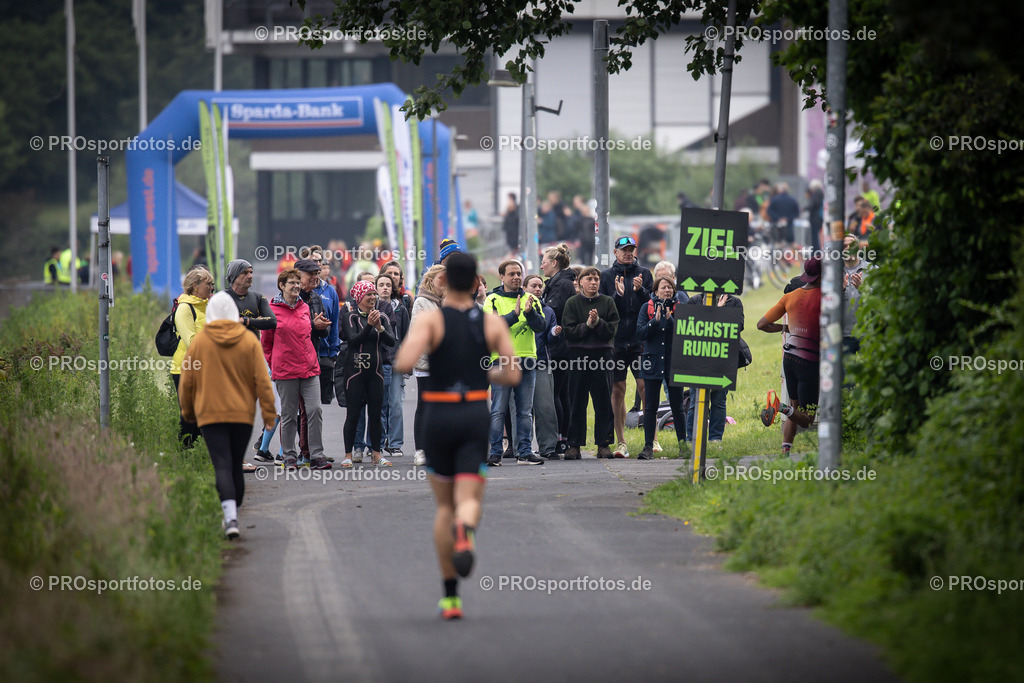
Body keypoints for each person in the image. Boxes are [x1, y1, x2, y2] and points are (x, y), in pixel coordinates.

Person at [393, 251, 520, 620]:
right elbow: (512, 374)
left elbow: (403, 362)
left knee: (443, 506)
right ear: (478, 283)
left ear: (445, 282)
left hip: (438, 413)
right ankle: (466, 529)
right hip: (473, 414)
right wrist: (484, 375)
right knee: (468, 499)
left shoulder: (432, 321)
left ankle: (450, 598)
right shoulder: (491, 323)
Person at [179, 291, 277, 540]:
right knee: (235, 463)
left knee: (221, 464)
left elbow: (187, 382)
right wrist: (268, 414)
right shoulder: (248, 341)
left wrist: (188, 413)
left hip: (209, 414)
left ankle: (230, 515)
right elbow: (262, 381)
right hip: (241, 415)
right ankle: (234, 510)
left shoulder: (200, 342)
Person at [262, 269, 331, 471]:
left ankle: (317, 455)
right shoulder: (271, 311)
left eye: (297, 283)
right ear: (281, 286)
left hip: (309, 368)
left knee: (314, 410)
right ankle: (289, 456)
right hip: (285, 371)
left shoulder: (304, 307)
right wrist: (274, 363)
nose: (296, 286)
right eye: (291, 282)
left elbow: (309, 334)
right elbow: (266, 343)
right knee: (289, 414)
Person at [484, 260, 547, 467]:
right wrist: (514, 315)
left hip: (527, 359)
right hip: (501, 360)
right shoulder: (492, 299)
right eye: (511, 274)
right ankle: (494, 453)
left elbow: (541, 327)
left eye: (519, 273)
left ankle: (525, 452)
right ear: (501, 277)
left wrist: (529, 313)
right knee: (498, 410)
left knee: (525, 411)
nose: (516, 277)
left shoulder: (531, 299)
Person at [757, 257, 822, 456]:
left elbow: (761, 324)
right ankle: (780, 407)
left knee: (795, 408)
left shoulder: (790, 296)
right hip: (810, 360)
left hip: (789, 358)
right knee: (808, 418)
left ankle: (785, 452)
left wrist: (786, 327)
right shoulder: (826, 297)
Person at [599, 235, 653, 458]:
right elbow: (602, 306)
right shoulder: (606, 276)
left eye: (631, 250)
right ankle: (621, 441)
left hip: (639, 341)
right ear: (615, 252)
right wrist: (617, 295)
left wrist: (640, 291)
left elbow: (652, 304)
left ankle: (653, 439)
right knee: (617, 390)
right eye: (624, 250)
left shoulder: (645, 274)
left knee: (644, 387)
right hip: (616, 342)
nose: (628, 253)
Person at [222, 259, 279, 466]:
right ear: (234, 276)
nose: (250, 276)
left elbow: (271, 321)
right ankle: (233, 457)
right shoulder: (222, 298)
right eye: (245, 272)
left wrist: (245, 321)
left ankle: (242, 455)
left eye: (251, 272)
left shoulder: (257, 298)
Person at [562, 266, 619, 459]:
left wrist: (597, 323)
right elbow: (568, 331)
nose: (593, 282)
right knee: (577, 401)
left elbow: (612, 330)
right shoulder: (572, 303)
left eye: (596, 279)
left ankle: (604, 444)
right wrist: (586, 325)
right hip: (578, 357)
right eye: (589, 279)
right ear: (580, 282)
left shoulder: (608, 302)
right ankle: (574, 444)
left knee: (603, 402)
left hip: (602, 357)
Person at [338, 280, 396, 468]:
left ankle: (377, 455)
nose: (373, 297)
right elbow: (353, 341)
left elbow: (391, 341)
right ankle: (348, 454)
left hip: (375, 373)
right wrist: (370, 325)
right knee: (353, 414)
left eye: (374, 294)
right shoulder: (350, 317)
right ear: (359, 298)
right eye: (368, 294)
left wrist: (379, 326)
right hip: (354, 373)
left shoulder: (382, 317)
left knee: (376, 414)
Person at [635, 278, 689, 459]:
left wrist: (670, 319)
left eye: (670, 287)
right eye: (663, 287)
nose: (667, 290)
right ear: (655, 291)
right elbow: (640, 333)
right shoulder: (646, 308)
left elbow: (685, 332)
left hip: (673, 362)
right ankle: (648, 447)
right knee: (650, 406)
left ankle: (683, 446)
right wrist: (654, 322)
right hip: (652, 362)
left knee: (678, 407)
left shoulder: (680, 308)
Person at [683, 292, 744, 445]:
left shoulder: (734, 302)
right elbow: (690, 326)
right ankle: (691, 439)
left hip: (722, 359)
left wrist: (720, 311)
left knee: (718, 400)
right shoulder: (695, 301)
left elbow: (737, 327)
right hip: (697, 358)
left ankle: (715, 439)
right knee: (695, 400)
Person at [294, 258, 333, 465]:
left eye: (317, 273)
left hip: (313, 358)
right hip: (291, 362)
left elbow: (325, 330)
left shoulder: (317, 298)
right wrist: (312, 325)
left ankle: (310, 452)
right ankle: (297, 453)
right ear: (298, 276)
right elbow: (290, 329)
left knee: (313, 409)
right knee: (296, 411)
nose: (315, 277)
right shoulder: (289, 299)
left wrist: (322, 327)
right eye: (311, 274)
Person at [171, 266, 214, 448]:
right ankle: (186, 454)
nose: (212, 288)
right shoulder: (185, 308)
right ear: (195, 286)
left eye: (212, 284)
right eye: (208, 284)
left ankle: (200, 454)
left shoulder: (205, 306)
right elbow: (192, 342)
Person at [540, 243, 576, 455]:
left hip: (560, 347)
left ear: (554, 263)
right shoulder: (559, 282)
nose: (541, 266)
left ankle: (560, 438)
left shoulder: (561, 284)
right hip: (561, 345)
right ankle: (563, 437)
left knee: (557, 394)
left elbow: (550, 313)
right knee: (561, 394)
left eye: (543, 262)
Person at [411, 265, 446, 466]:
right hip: (426, 361)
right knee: (424, 405)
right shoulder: (422, 301)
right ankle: (420, 450)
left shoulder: (449, 301)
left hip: (446, 362)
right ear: (431, 280)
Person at [524, 274, 560, 459]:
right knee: (521, 409)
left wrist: (555, 333)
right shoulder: (517, 307)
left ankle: (548, 447)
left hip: (541, 362)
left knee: (545, 407)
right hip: (518, 363)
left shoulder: (548, 311)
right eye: (533, 286)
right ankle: (521, 448)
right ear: (525, 288)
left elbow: (549, 339)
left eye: (540, 286)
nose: (538, 289)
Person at [379, 264, 411, 457]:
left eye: (396, 275)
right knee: (380, 404)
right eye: (388, 275)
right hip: (378, 360)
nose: (391, 279)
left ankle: (395, 442)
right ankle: (379, 440)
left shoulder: (402, 307)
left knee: (396, 403)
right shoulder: (371, 306)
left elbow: (407, 336)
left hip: (396, 361)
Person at [767, 182, 801, 248]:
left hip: (776, 227)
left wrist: (778, 218)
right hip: (789, 226)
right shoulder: (793, 200)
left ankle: (777, 257)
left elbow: (769, 211)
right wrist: (788, 219)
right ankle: (801, 257)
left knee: (777, 246)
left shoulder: (774, 199)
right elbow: (796, 213)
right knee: (793, 245)